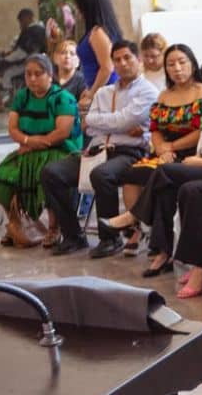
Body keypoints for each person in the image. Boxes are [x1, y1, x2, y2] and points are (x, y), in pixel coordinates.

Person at [43, 39, 159, 256]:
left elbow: (121, 121)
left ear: (139, 60)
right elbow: (87, 125)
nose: (122, 63)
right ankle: (73, 235)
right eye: (117, 59)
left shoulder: (148, 91)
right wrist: (115, 122)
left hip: (130, 152)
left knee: (102, 174)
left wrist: (106, 121)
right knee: (52, 172)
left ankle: (110, 238)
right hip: (96, 151)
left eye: (127, 58)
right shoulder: (104, 92)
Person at [98, 45, 202, 264]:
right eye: (171, 64)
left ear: (192, 64)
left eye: (182, 62)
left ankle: (138, 221)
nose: (177, 68)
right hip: (164, 152)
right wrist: (161, 147)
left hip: (192, 153)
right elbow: (155, 128)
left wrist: (171, 148)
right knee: (133, 173)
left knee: (162, 178)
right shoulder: (164, 95)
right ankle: (137, 227)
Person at [0, 55, 79, 247]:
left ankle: (54, 227)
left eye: (38, 74)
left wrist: (37, 143)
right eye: (28, 74)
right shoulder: (22, 96)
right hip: (29, 148)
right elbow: (12, 128)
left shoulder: (62, 98)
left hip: (60, 150)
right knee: (5, 174)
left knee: (44, 175)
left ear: (50, 75)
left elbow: (62, 132)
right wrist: (28, 141)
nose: (32, 79)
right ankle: (18, 223)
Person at [71, 0, 123, 110]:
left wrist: (92, 93)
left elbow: (106, 67)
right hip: (101, 90)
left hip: (106, 92)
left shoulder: (97, 33)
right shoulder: (95, 31)